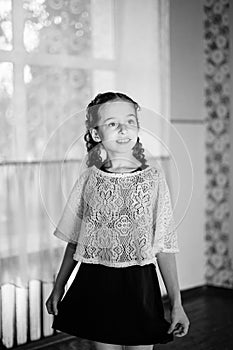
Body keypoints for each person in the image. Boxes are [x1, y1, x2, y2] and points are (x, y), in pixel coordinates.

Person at [46, 92, 190, 350]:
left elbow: (165, 247)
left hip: (141, 288)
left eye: (130, 121)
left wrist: (177, 304)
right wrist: (59, 287)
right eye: (113, 123)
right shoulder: (88, 180)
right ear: (97, 133)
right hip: (97, 285)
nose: (124, 128)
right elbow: (75, 243)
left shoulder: (153, 180)